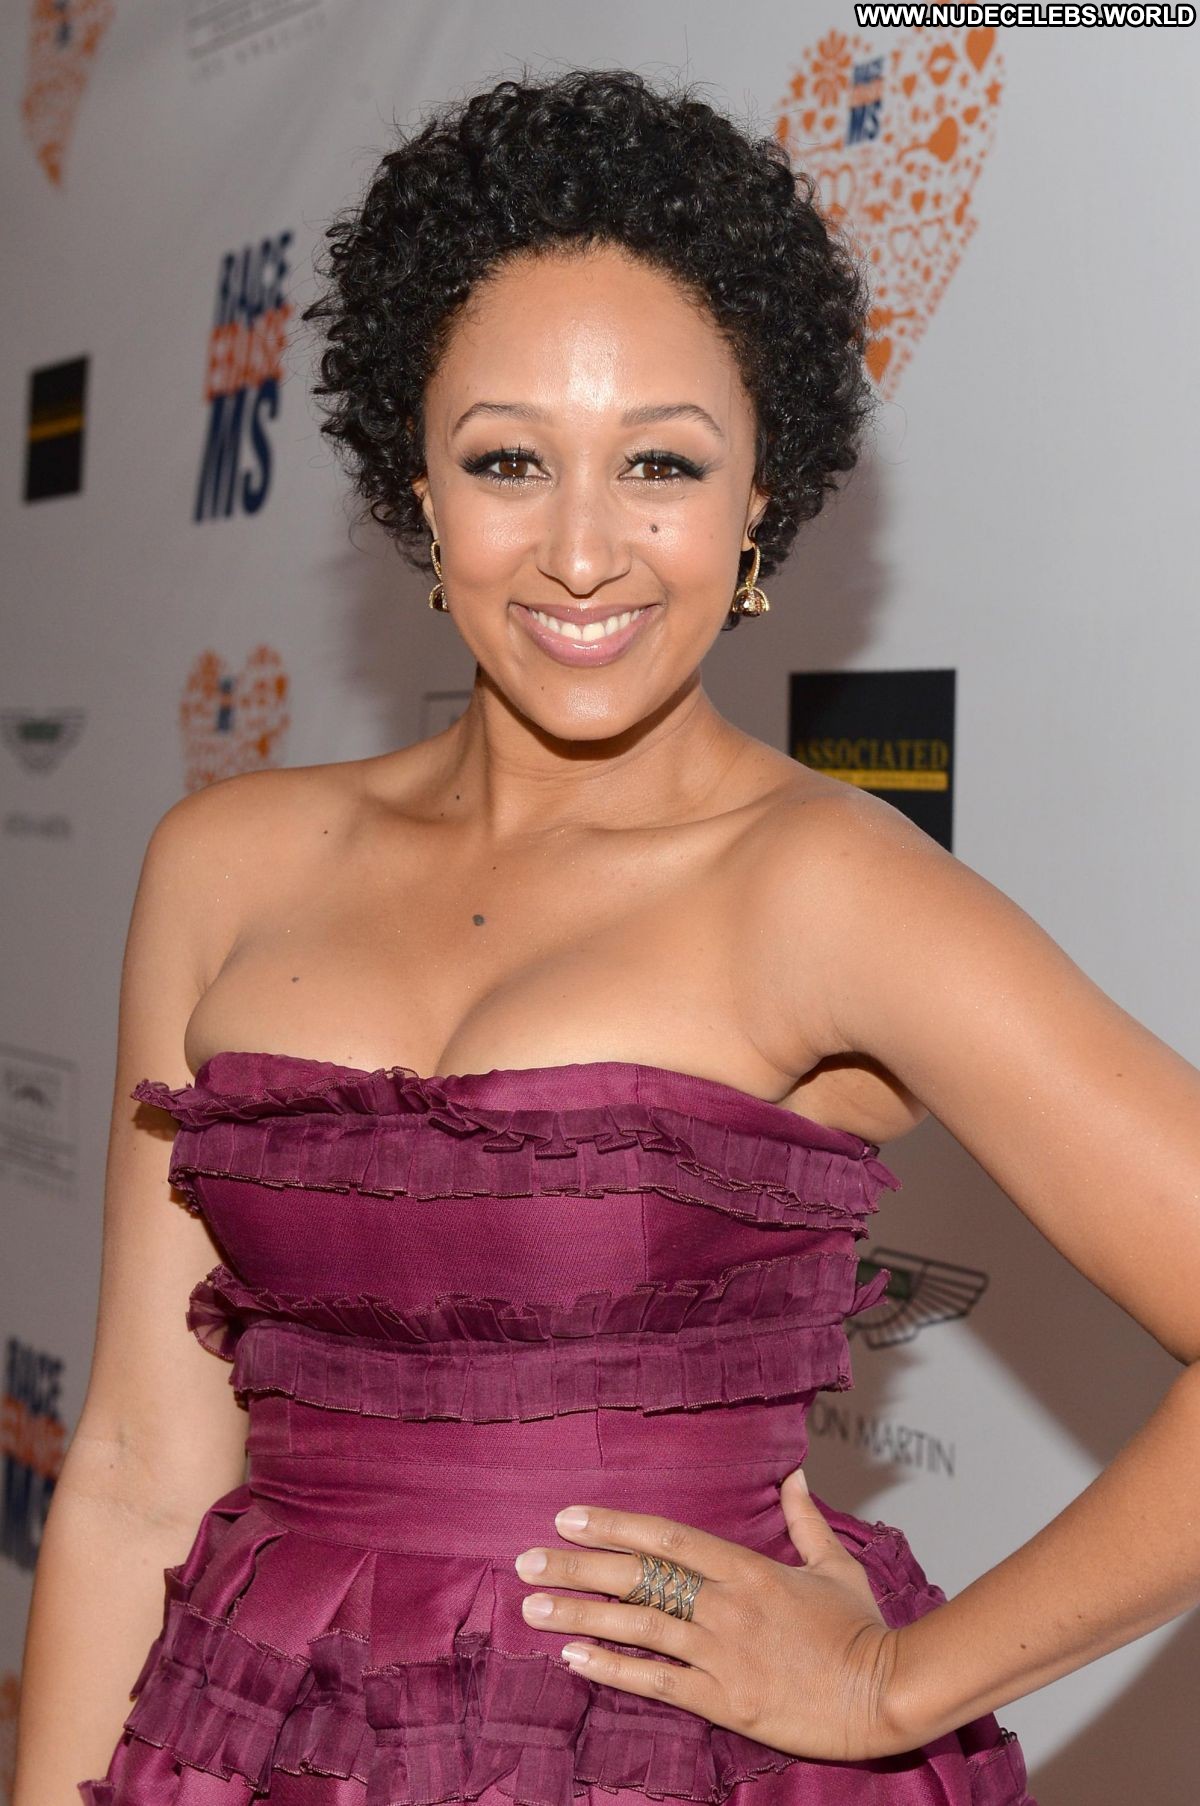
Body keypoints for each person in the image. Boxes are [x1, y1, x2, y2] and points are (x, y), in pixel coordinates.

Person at [14, 66, 1199, 1806]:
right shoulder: (225, 863)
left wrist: (893, 1682)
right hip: (260, 1748)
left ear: (759, 496)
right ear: (417, 486)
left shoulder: (824, 884)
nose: (582, 552)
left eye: (662, 463)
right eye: (509, 459)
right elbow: (131, 1466)